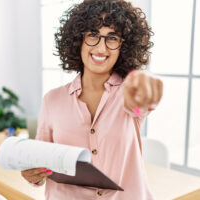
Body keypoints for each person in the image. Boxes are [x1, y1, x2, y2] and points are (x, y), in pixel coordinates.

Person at [21, 0, 163, 199]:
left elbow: (142, 105)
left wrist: (147, 90)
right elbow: (40, 162)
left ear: (124, 46)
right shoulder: (53, 100)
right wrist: (33, 176)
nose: (101, 47)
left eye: (112, 38)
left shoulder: (130, 94)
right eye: (93, 35)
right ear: (78, 40)